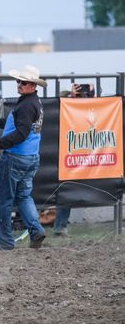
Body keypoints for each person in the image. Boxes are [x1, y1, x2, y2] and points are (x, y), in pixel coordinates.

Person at [0, 65, 47, 250]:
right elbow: (23, 126)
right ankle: (36, 231)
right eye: (18, 81)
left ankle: (4, 241)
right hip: (31, 157)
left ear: (33, 85)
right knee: (24, 196)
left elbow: (21, 134)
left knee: (3, 198)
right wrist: (0, 122)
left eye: (23, 82)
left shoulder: (26, 105)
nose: (19, 84)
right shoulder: (33, 102)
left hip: (15, 157)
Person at [54, 83, 96, 237]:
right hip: (70, 154)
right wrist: (72, 97)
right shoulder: (65, 106)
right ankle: (59, 225)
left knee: (68, 189)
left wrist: (91, 95)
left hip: (85, 154)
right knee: (67, 190)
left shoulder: (89, 107)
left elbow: (96, 111)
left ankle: (60, 225)